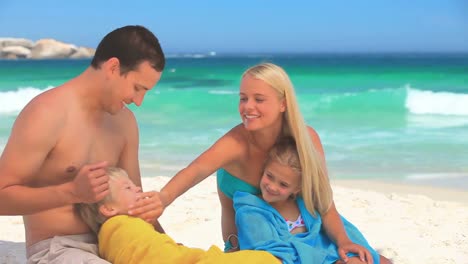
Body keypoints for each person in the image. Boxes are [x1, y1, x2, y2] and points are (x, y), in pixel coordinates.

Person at [148, 62, 375, 261]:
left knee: (371, 260)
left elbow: (324, 203)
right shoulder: (236, 143)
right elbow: (195, 170)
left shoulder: (306, 141)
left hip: (311, 231)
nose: (248, 107)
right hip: (255, 244)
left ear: (283, 103)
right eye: (243, 98)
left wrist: (343, 241)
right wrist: (163, 198)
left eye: (259, 99)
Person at [0, 25, 166, 263]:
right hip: (59, 248)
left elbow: (137, 208)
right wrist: (71, 192)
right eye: (137, 88)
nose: (138, 101)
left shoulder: (125, 122)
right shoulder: (47, 113)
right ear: (113, 67)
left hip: (118, 240)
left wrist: (168, 245)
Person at [234, 136, 391, 264]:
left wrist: (344, 249)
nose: (272, 187)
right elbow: (268, 251)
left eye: (283, 184)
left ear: (297, 189)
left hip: (329, 253)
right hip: (301, 260)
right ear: (264, 169)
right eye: (269, 176)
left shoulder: (305, 204)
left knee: (374, 261)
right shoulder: (251, 211)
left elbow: (333, 229)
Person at [76, 166, 280, 264]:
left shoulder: (131, 226)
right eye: (128, 187)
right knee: (263, 260)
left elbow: (160, 248)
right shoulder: (119, 228)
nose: (138, 188)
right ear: (109, 209)